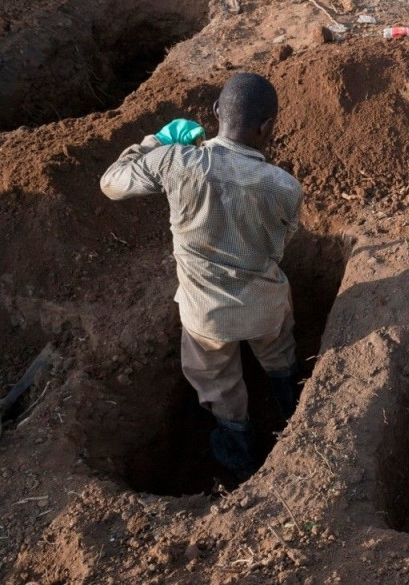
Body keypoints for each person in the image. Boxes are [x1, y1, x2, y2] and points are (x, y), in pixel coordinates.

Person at [100, 72, 304, 480]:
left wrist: (157, 141)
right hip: (264, 306)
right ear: (267, 127)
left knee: (220, 387)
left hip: (206, 317)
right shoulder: (284, 187)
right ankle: (297, 418)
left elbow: (112, 184)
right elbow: (281, 243)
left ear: (215, 113)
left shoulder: (175, 162)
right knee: (281, 357)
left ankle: (242, 457)